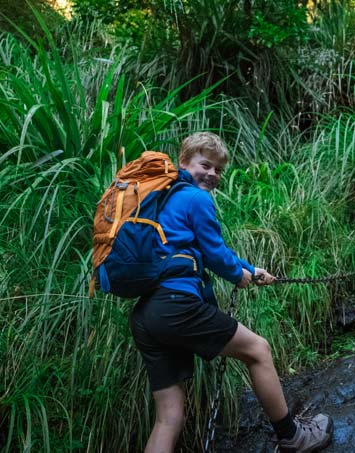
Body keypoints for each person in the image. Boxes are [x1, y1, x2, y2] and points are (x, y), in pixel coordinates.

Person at [129, 132, 333, 453]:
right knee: (259, 350)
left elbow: (205, 249)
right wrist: (239, 275)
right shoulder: (197, 198)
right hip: (176, 305)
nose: (212, 174)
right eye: (205, 165)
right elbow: (215, 254)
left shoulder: (163, 199)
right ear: (183, 162)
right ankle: (291, 436)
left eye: (218, 170)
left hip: (146, 315)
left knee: (169, 415)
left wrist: (250, 270)